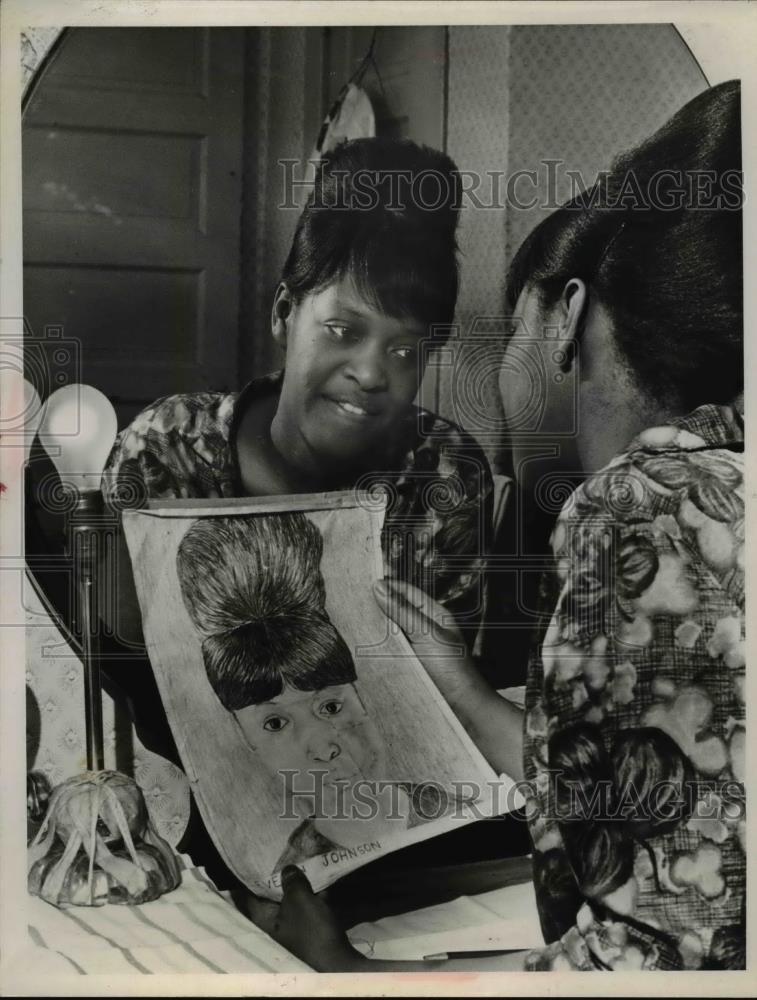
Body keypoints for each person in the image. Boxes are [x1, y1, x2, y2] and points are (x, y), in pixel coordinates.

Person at [250, 81, 745, 971]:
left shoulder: (638, 508)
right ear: (286, 316)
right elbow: (659, 799)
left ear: (564, 320)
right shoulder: (724, 481)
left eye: (510, 329)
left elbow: (652, 960)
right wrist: (467, 691)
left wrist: (349, 978)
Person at [175, 512, 453, 885]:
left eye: (331, 706)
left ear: (361, 698)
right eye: (275, 723)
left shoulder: (452, 813)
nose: (324, 747)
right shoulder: (293, 882)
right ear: (247, 740)